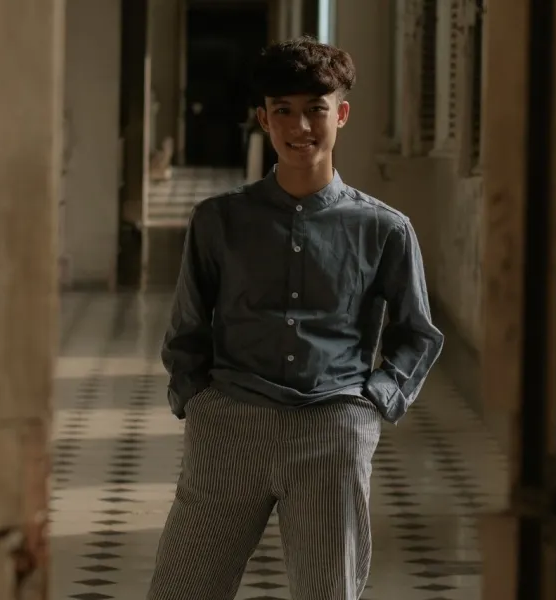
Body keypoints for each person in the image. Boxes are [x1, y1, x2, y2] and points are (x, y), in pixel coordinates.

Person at [147, 36, 444, 600]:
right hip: (230, 426)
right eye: (283, 110)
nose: (300, 126)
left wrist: (370, 404)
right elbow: (187, 327)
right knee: (182, 590)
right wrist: (198, 401)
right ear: (264, 119)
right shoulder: (218, 220)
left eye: (315, 109)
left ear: (342, 114)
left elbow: (417, 334)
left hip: (331, 429)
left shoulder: (384, 228)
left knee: (327, 592)